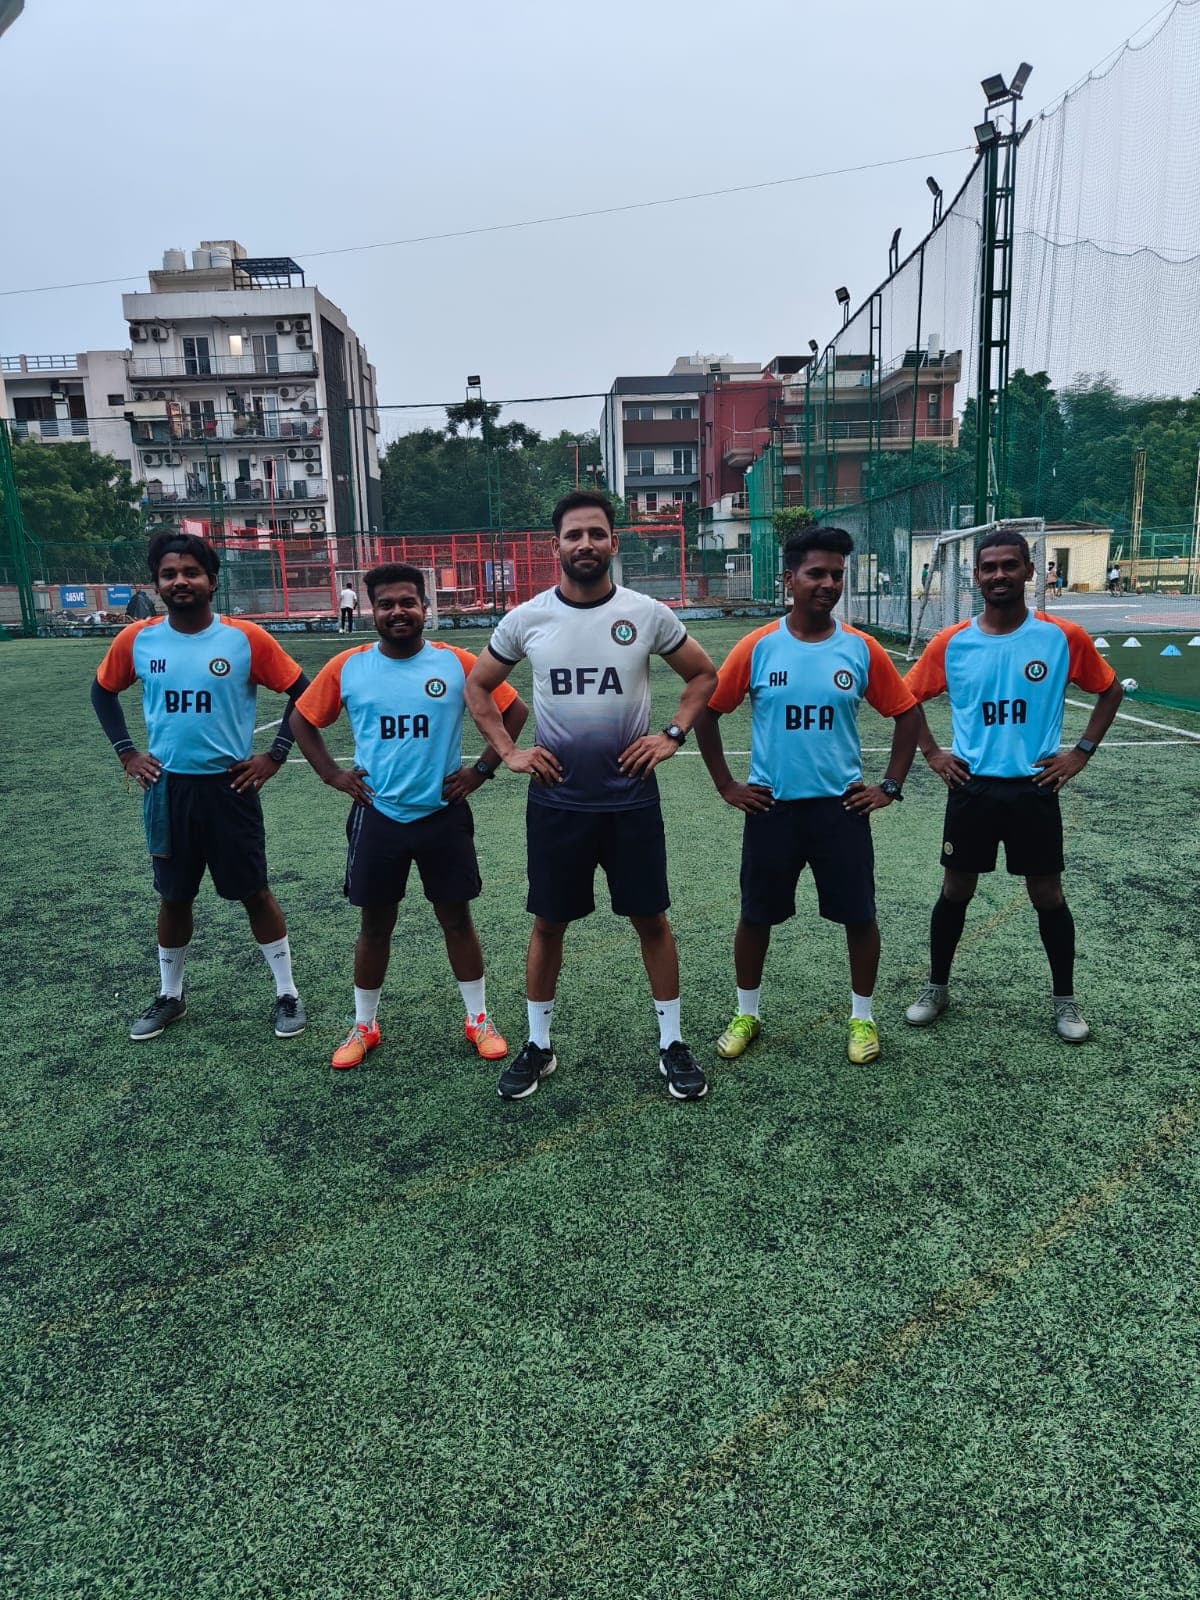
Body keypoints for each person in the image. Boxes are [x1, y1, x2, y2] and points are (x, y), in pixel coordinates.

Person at [464, 490, 718, 1102]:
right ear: (556, 547)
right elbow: (478, 686)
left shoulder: (646, 613)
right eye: (574, 535)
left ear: (613, 542)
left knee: (651, 921)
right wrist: (508, 751)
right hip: (557, 800)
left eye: (596, 534)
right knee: (549, 923)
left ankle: (671, 1045)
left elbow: (704, 675)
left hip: (631, 800)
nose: (585, 544)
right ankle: (538, 1046)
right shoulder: (527, 619)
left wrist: (672, 735)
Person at [694, 527, 921, 1067]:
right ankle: (747, 1012)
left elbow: (908, 713)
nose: (828, 584)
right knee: (755, 915)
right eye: (816, 574)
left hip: (840, 809)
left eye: (836, 575)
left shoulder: (860, 648)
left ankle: (862, 1018)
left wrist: (889, 785)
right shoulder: (759, 646)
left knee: (859, 916)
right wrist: (727, 784)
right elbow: (708, 712)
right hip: (772, 808)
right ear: (789, 578)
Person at [291, 563, 529, 1071]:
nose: (397, 611)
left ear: (424, 607)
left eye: (407, 602)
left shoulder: (456, 663)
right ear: (371, 611)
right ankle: (364, 1026)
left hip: (443, 814)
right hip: (378, 816)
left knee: (457, 919)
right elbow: (302, 720)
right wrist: (333, 775)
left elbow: (513, 709)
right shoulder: (349, 667)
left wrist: (481, 770)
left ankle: (478, 1018)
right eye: (386, 604)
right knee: (374, 925)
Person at [902, 529, 1123, 1042]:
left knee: (1047, 893)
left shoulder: (1061, 638)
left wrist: (1080, 753)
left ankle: (1065, 1001)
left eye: (1009, 565)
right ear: (976, 576)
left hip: (1034, 789)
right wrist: (933, 753)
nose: (998, 574)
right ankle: (936, 987)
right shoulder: (951, 642)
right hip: (973, 789)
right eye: (988, 567)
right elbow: (903, 699)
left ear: (1029, 570)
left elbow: (1110, 691)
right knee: (956, 888)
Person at [91, 532, 311, 1041]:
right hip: (168, 790)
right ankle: (170, 996)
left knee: (254, 891)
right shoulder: (138, 639)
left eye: (191, 572)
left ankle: (287, 993)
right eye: (169, 574)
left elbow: (305, 693)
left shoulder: (245, 638)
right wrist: (127, 753)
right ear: (157, 583)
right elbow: (102, 691)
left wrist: (274, 755)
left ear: (212, 581)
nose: (180, 581)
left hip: (229, 788)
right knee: (173, 897)